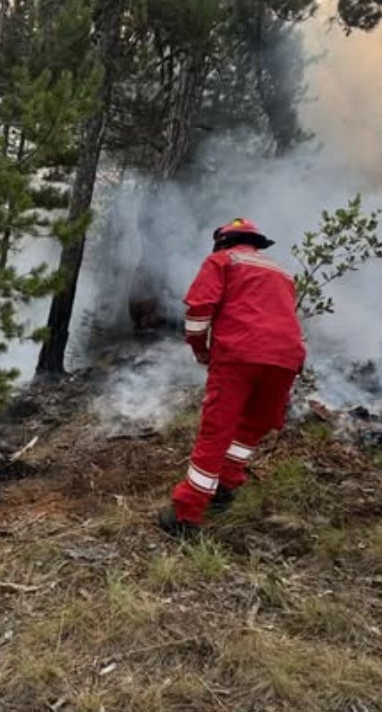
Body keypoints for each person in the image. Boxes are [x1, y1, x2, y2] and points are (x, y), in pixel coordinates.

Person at [158, 218, 307, 538]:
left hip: (240, 354)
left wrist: (201, 350)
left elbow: (199, 311)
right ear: (257, 243)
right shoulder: (282, 272)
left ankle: (186, 514)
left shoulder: (222, 261)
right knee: (251, 427)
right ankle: (224, 487)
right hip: (286, 359)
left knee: (217, 430)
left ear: (223, 242)